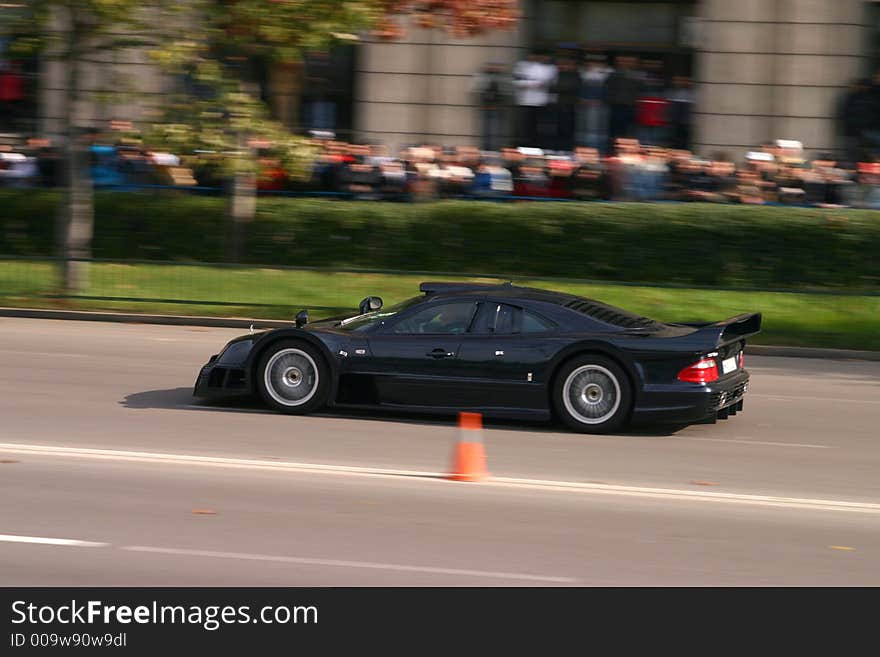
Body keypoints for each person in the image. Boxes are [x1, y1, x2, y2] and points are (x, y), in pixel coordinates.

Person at [512, 51, 557, 148]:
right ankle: (525, 145)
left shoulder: (550, 68)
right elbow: (516, 81)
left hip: (541, 102)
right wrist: (533, 84)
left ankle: (538, 145)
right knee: (525, 126)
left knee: (540, 127)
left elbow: (551, 83)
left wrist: (533, 83)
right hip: (525, 102)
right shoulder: (522, 66)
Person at [603, 56, 642, 150]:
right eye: (623, 61)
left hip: (631, 106)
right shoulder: (614, 74)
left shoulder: (637, 75)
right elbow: (607, 87)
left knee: (628, 132)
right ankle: (612, 151)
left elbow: (640, 89)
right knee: (614, 132)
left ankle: (626, 152)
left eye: (630, 61)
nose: (626, 63)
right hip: (617, 106)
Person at [471, 62, 509, 152]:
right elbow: (476, 89)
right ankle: (486, 148)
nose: (494, 68)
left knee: (496, 131)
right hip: (486, 107)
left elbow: (507, 91)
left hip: (498, 108)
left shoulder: (503, 78)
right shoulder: (482, 77)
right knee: (486, 131)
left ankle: (494, 149)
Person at [577, 53, 611, 152]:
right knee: (582, 129)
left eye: (597, 62)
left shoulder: (608, 73)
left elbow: (611, 90)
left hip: (600, 107)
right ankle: (583, 150)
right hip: (583, 106)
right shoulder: (581, 73)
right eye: (591, 62)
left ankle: (597, 150)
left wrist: (601, 100)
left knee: (599, 130)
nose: (593, 64)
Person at [550, 56, 581, 152]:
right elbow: (552, 88)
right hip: (559, 104)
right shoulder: (559, 74)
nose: (564, 66)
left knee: (567, 127)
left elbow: (572, 87)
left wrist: (559, 88)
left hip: (569, 105)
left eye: (567, 64)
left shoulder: (575, 75)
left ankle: (566, 148)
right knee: (559, 127)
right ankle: (559, 147)